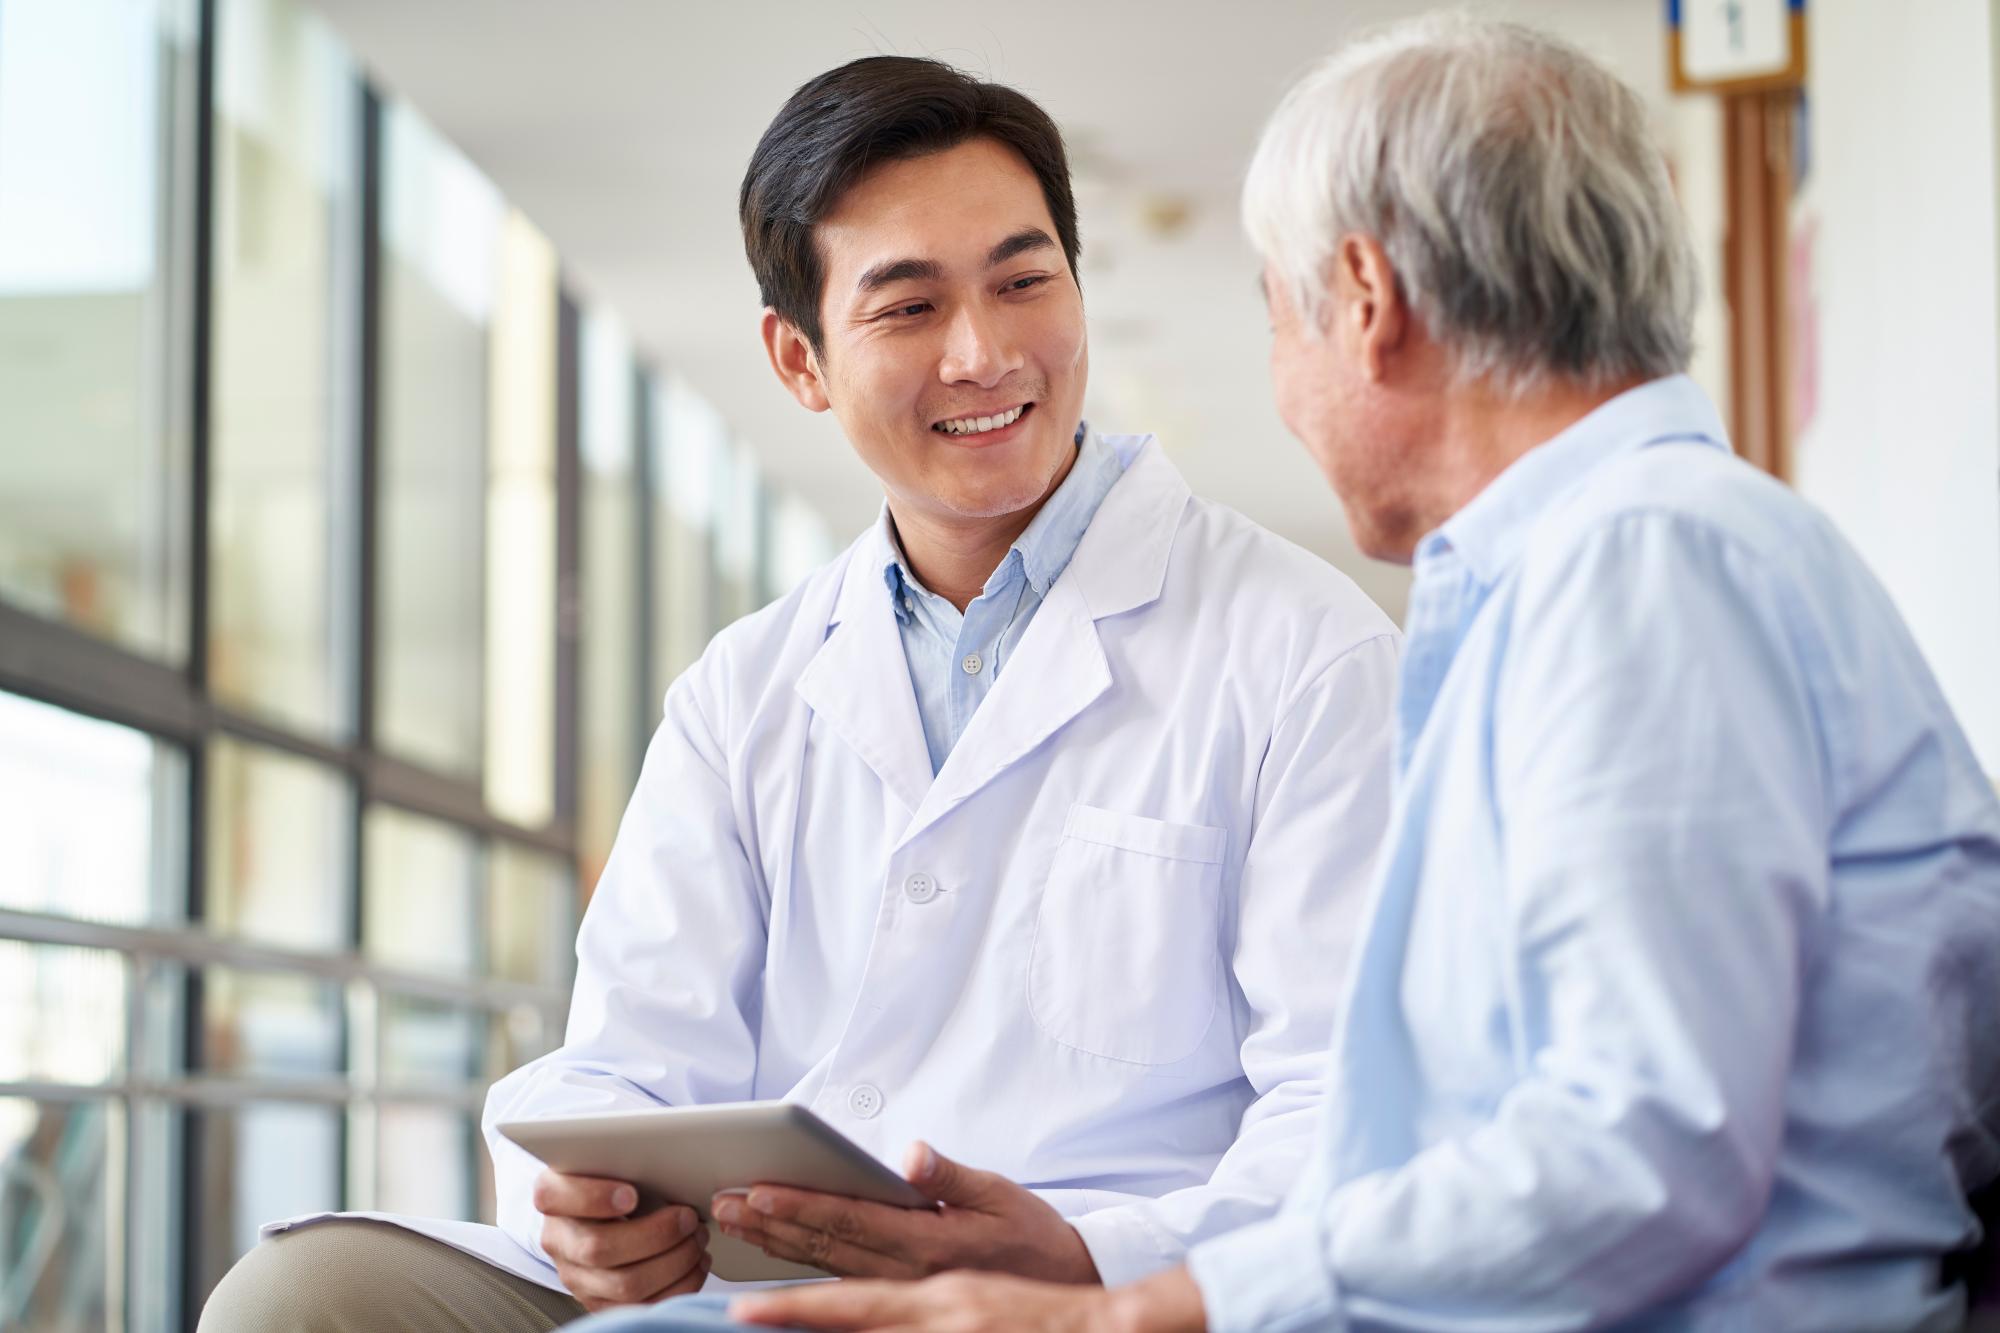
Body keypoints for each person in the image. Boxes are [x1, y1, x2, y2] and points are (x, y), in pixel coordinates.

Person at [727, 15, 2000, 1333]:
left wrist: (1135, 1310)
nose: (1285, 382)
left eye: (1280, 317)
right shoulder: (1614, 568)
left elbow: (1639, 1156)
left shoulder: (1646, 566)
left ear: (1369, 301)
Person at [198, 55, 1400, 1333]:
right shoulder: (744, 688)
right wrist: (595, 1211)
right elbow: (628, 1054)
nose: (984, 353)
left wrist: (1092, 1258)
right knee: (306, 1295)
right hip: (758, 1290)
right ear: (799, 359)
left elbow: (1353, 1103)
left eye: (1023, 279)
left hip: (1103, 1297)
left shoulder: (1303, 649)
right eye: (907, 307)